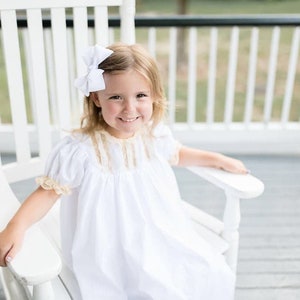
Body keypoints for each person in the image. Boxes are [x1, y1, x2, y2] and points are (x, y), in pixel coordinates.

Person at [0, 43, 248, 299]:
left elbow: (177, 153)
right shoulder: (81, 151)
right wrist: (16, 226)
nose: (130, 108)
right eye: (116, 97)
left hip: (158, 227)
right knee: (142, 286)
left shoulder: (152, 135)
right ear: (97, 98)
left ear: (154, 95)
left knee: (205, 271)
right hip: (107, 242)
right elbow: (47, 194)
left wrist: (216, 159)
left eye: (140, 95)